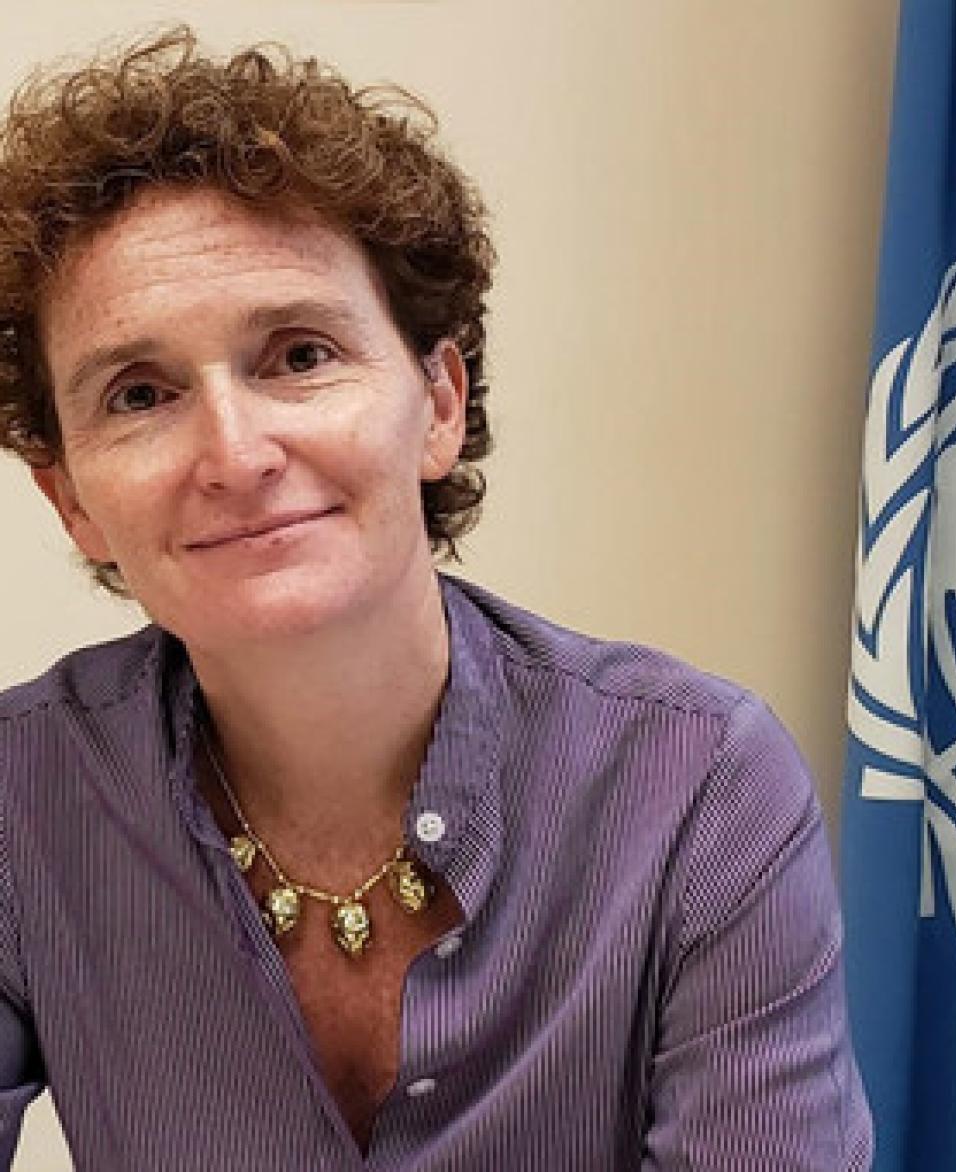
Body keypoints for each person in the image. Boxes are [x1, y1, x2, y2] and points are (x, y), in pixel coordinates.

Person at [0, 27, 871, 1169]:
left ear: (438, 401)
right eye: (141, 391)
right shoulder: (23, 800)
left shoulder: (698, 786)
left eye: (299, 355)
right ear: (71, 498)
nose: (235, 449)